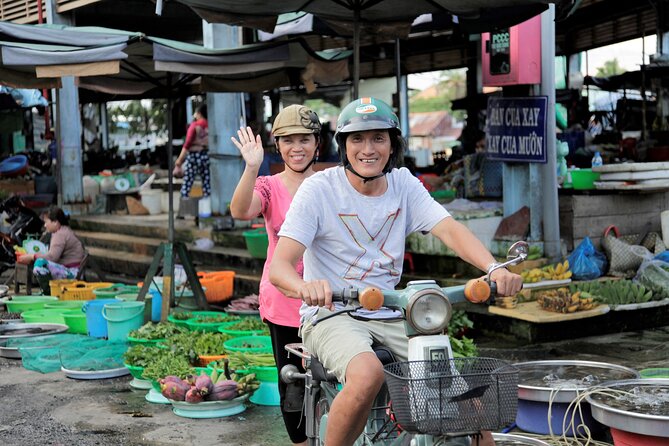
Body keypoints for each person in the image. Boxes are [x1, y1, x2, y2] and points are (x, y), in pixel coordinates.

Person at [269, 97, 523, 446]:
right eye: (357, 139)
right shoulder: (319, 189)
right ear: (343, 147)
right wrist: (305, 287)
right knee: (367, 373)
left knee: (462, 398)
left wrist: (494, 267)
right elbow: (279, 268)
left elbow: (449, 230)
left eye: (378, 138)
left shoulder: (404, 184)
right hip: (331, 314)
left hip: (392, 310)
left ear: (393, 145)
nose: (368, 149)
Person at [229, 104, 322, 446]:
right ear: (278, 147)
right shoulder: (268, 186)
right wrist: (251, 167)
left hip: (330, 301)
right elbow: (240, 210)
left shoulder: (331, 182)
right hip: (285, 302)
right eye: (288, 140)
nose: (297, 147)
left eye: (304, 139)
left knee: (335, 378)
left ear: (317, 144)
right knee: (294, 384)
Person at [17, 207, 85, 293]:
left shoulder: (60, 234)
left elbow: (52, 257)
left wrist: (32, 256)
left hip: (72, 272)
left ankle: (49, 292)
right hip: (71, 269)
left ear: (55, 222)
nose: (45, 225)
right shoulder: (62, 230)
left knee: (40, 265)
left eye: (46, 222)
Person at [173, 105, 210, 199]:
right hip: (206, 156)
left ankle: (184, 206)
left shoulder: (195, 125)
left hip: (194, 156)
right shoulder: (210, 125)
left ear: (199, 114)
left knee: (188, 181)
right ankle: (207, 205)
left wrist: (179, 160)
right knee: (206, 182)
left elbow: (187, 144)